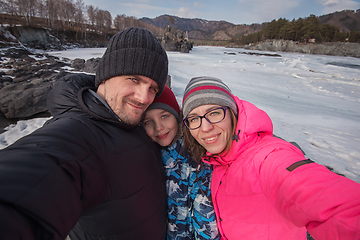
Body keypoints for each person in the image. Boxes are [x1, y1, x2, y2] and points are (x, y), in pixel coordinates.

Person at [0, 27, 169, 240]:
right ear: (107, 75)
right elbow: (33, 179)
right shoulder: (79, 134)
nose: (144, 98)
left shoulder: (139, 122)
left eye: (153, 88)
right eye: (134, 79)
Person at [181, 76, 360, 240]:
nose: (205, 128)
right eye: (194, 118)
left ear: (232, 112)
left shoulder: (267, 156)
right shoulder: (216, 159)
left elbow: (329, 202)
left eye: (214, 113)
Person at [141, 85, 220, 240]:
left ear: (177, 116)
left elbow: (205, 215)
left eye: (164, 116)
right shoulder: (147, 157)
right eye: (148, 122)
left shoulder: (198, 155)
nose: (159, 128)